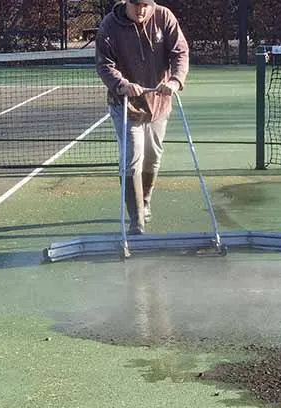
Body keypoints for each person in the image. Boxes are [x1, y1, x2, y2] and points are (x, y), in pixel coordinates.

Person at [95, 0, 189, 235]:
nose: (141, 10)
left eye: (146, 5)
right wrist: (123, 85)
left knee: (153, 156)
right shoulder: (109, 26)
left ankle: (145, 200)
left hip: (159, 103)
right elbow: (105, 65)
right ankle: (136, 219)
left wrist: (175, 81)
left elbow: (180, 52)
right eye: (136, 4)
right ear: (127, 2)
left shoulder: (164, 17)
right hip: (126, 105)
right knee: (133, 157)